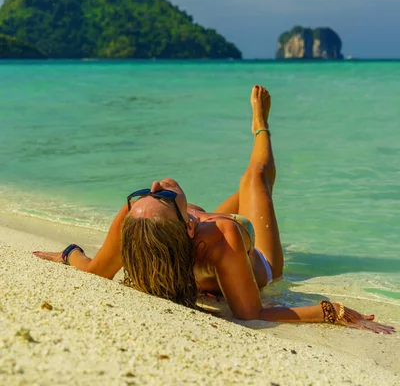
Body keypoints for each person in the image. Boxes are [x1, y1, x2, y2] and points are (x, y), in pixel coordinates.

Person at [34, 86, 394, 333]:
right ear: (188, 228)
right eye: (161, 198)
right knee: (255, 179)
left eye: (146, 192)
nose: (156, 187)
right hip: (255, 258)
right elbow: (253, 313)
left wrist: (69, 253)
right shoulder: (220, 236)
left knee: (242, 191)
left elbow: (96, 271)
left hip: (217, 233)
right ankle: (261, 126)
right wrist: (332, 311)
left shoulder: (136, 216)